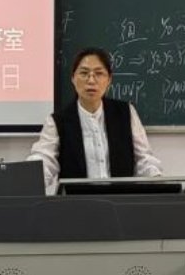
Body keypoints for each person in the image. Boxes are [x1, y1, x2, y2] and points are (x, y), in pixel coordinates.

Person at [27, 48, 162, 191]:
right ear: (73, 78)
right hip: (76, 202)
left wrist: (156, 179)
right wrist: (28, 179)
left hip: (120, 201)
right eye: (84, 73)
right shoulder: (58, 121)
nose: (91, 80)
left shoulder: (126, 112)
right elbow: (45, 159)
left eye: (99, 73)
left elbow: (143, 158)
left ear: (109, 79)